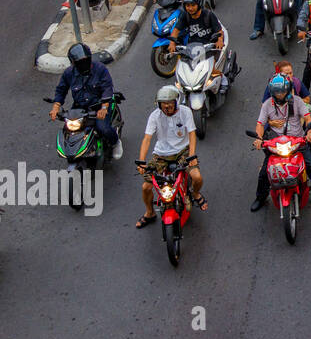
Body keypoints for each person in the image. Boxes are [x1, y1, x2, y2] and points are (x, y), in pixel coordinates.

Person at [251, 75, 311, 214]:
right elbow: (260, 124)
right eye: (277, 92)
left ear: (288, 89)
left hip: (297, 142)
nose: (280, 94)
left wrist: (309, 132)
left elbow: (308, 118)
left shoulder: (297, 101)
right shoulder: (267, 105)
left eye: (282, 91)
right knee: (265, 172)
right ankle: (260, 197)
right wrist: (259, 139)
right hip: (276, 145)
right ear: (272, 92)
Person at [135, 86, 206, 228]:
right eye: (163, 103)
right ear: (159, 104)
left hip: (182, 152)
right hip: (161, 155)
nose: (167, 106)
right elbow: (147, 139)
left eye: (170, 102)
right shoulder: (155, 116)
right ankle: (150, 212)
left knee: (197, 178)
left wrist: (191, 156)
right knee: (146, 187)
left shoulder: (185, 112)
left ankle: (196, 194)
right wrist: (142, 161)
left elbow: (192, 134)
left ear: (176, 101)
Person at [50, 44, 120, 158]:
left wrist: (104, 107)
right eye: (79, 61)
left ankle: (116, 143)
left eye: (85, 60)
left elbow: (107, 88)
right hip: (80, 107)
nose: (83, 63)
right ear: (73, 63)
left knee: (103, 128)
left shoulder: (100, 69)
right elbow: (61, 90)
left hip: (100, 105)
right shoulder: (69, 73)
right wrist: (56, 107)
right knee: (68, 129)